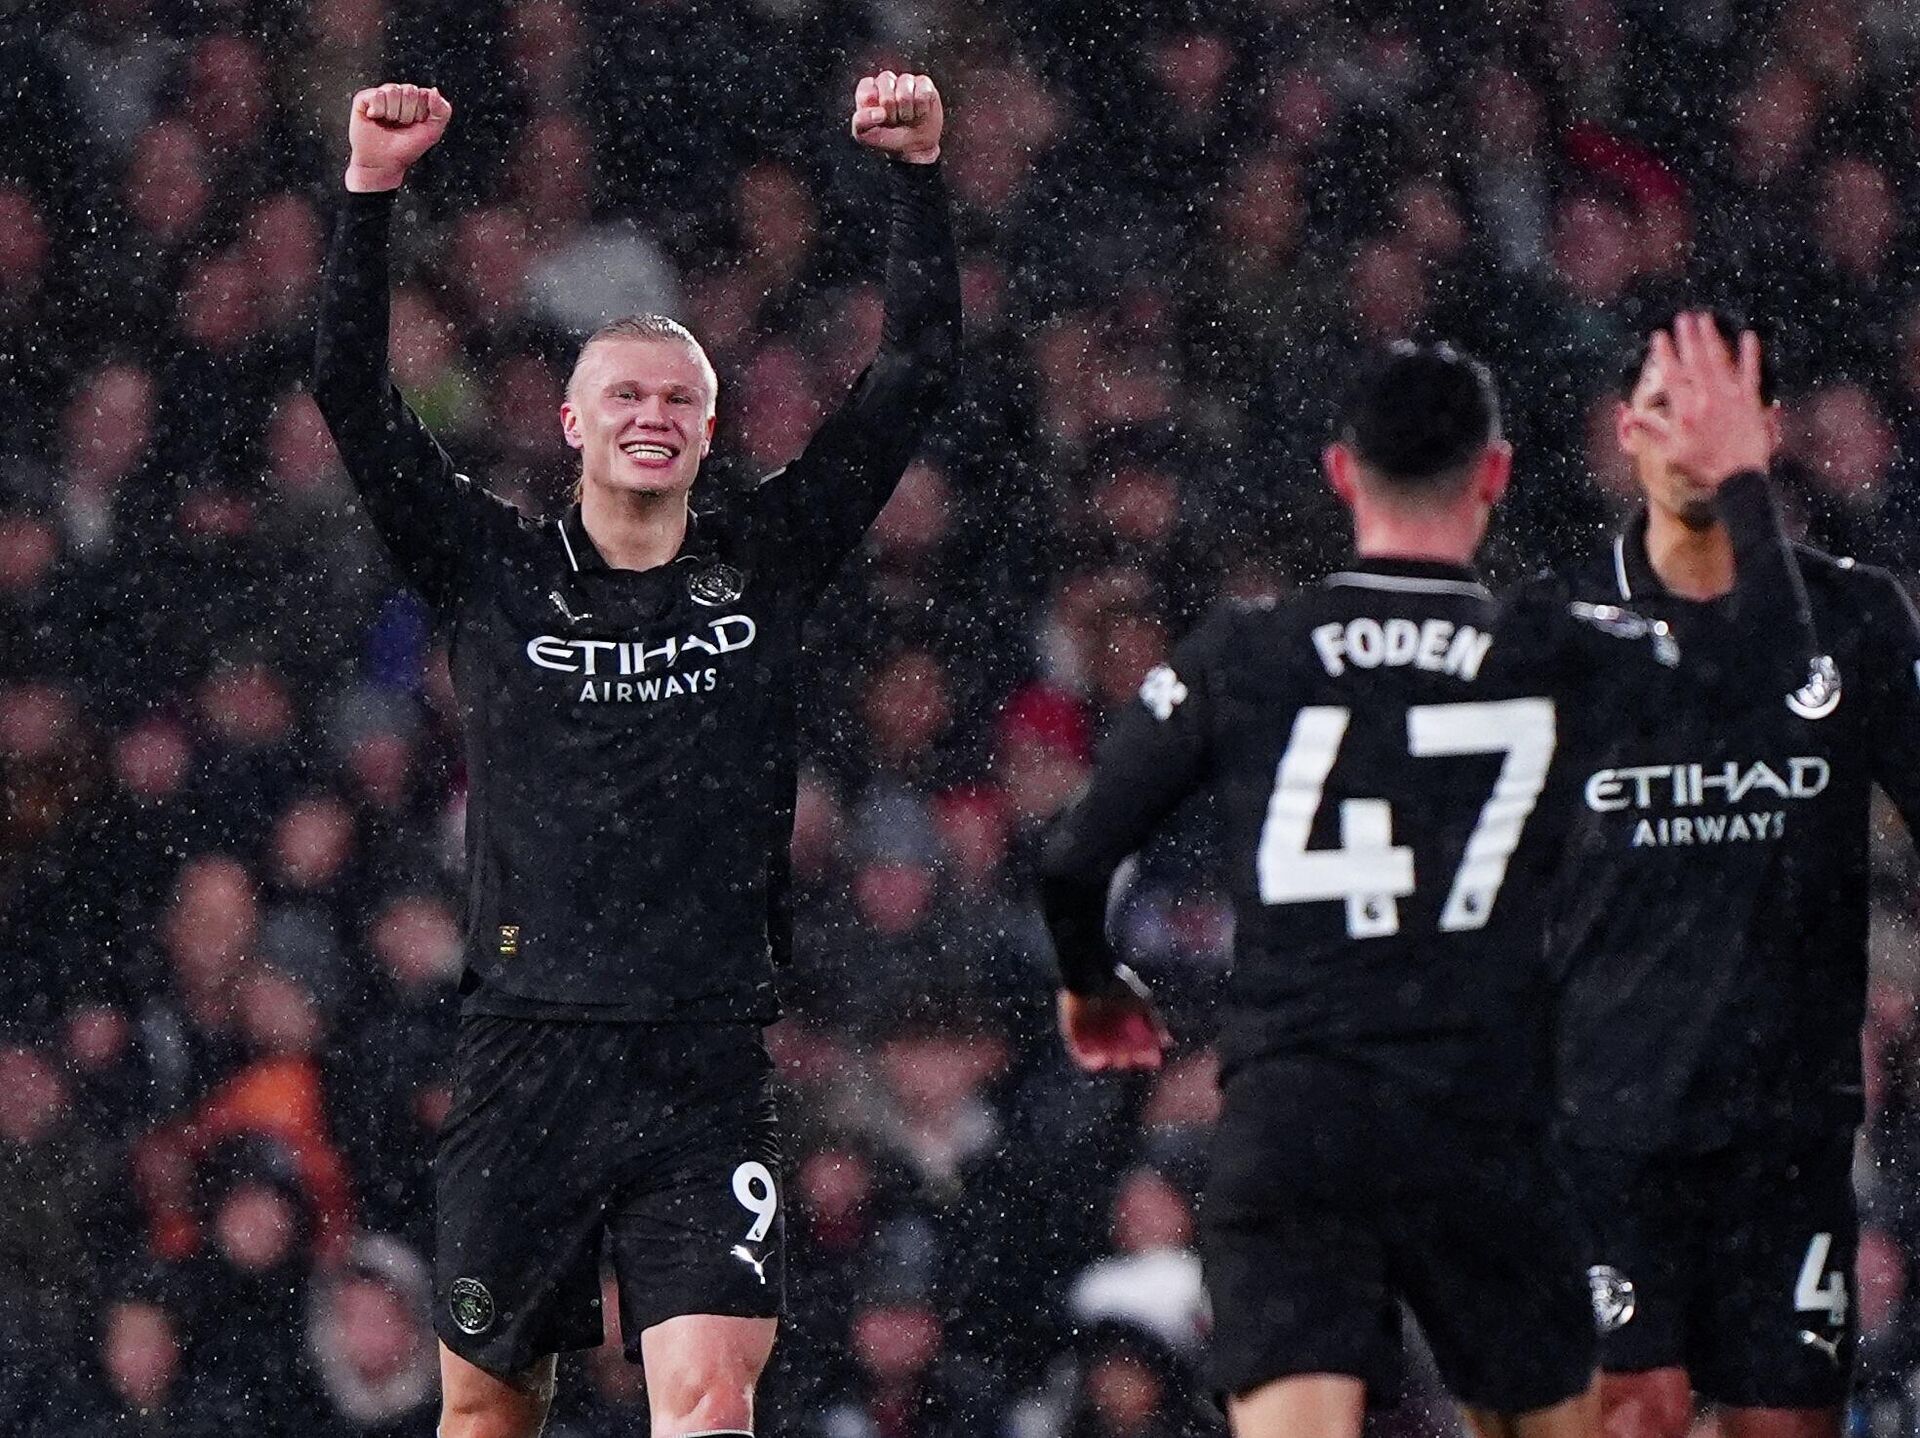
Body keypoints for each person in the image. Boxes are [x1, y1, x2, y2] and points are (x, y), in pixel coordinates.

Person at [310, 73, 959, 1438]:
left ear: (711, 429)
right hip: (525, 1053)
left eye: (678, 394)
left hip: (702, 1060)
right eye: (622, 391)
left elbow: (911, 377)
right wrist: (370, 192)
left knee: (710, 1400)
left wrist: (916, 177)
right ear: (571, 421)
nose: (651, 410)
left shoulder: (765, 561)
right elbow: (350, 394)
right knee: (488, 1413)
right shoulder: (490, 567)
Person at [1036, 318, 1805, 1438]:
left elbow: (1072, 859)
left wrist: (1091, 982)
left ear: (1342, 472)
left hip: (1299, 1114)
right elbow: (1773, 681)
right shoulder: (1550, 648)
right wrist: (1734, 482)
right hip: (1481, 1116)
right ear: (1493, 474)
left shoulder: (1247, 651)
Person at [1551, 312, 1920, 1438]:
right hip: (1608, 1126)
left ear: (1768, 432)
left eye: (1722, 410)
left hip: (1788, 1127)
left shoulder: (1856, 616)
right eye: (1668, 407)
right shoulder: (1558, 628)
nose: (1695, 437)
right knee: (1635, 1417)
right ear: (1626, 434)